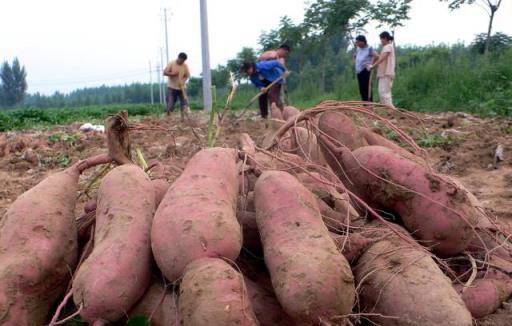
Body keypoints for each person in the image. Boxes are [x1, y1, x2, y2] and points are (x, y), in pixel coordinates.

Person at [369, 32, 396, 107]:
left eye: (381, 39)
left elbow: (382, 57)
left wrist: (373, 65)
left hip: (386, 73)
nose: (381, 41)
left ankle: (393, 111)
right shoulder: (387, 47)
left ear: (385, 38)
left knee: (384, 93)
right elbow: (380, 57)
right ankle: (389, 111)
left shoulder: (388, 46)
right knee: (383, 93)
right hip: (384, 73)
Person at [163, 52, 190, 120]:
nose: (182, 62)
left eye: (183, 61)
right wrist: (172, 74)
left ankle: (183, 119)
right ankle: (168, 115)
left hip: (181, 87)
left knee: (184, 103)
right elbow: (164, 72)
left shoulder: (185, 66)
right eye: (181, 60)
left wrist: (183, 81)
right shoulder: (171, 63)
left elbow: (187, 75)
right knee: (171, 104)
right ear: (178, 58)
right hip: (171, 87)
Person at [354, 35, 379, 102]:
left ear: (363, 42)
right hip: (359, 71)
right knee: (362, 89)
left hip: (365, 70)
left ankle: (369, 104)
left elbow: (376, 56)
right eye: (356, 42)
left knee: (367, 89)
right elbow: (356, 56)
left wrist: (371, 64)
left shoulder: (369, 48)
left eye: (358, 42)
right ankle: (365, 105)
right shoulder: (358, 49)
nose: (357, 43)